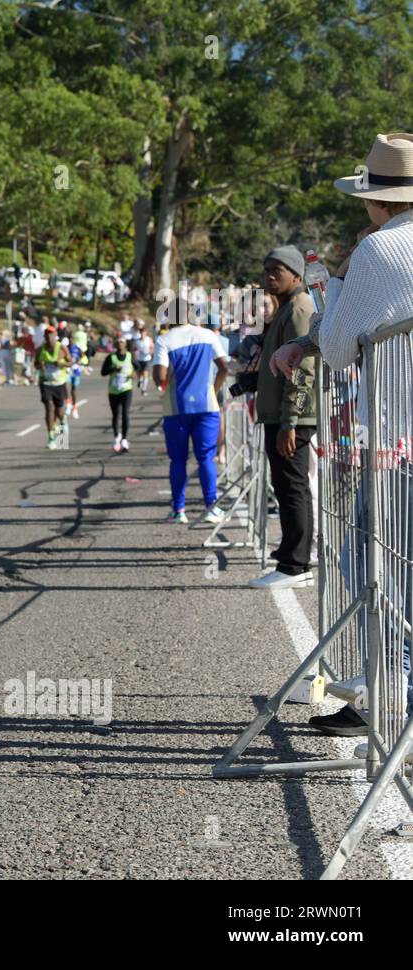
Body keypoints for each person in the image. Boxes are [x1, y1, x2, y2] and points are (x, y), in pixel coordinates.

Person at [269, 132, 413, 739]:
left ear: (375, 200)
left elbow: (337, 345)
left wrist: (346, 284)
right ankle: (390, 686)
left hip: (397, 433)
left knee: (371, 565)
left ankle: (393, 689)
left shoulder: (381, 249)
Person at [248, 246, 318, 589]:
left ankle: (295, 565)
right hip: (281, 415)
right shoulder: (286, 308)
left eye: (278, 269)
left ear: (296, 275)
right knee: (287, 487)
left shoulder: (300, 308)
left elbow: (304, 371)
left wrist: (291, 421)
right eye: (267, 269)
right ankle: (292, 559)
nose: (270, 275)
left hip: (293, 417)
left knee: (292, 489)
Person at [153, 299, 229, 524]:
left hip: (176, 408)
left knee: (178, 460)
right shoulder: (208, 335)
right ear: (190, 314)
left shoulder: (164, 340)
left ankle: (179, 510)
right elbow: (224, 367)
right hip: (207, 406)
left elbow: (160, 378)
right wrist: (213, 390)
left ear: (169, 316)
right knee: (206, 457)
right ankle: (211, 507)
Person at [35, 327, 71, 449]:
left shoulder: (61, 348)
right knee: (49, 408)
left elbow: (71, 362)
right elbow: (35, 364)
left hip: (59, 383)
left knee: (60, 411)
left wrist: (62, 364)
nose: (49, 337)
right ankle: (51, 438)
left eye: (51, 334)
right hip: (45, 383)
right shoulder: (40, 349)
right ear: (45, 337)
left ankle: (62, 433)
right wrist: (40, 365)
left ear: (55, 335)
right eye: (47, 335)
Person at [100, 334, 134, 453]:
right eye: (118, 342)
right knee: (116, 415)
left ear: (125, 344)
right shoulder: (111, 357)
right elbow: (103, 372)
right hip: (114, 390)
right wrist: (113, 369)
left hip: (126, 389)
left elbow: (137, 368)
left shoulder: (130, 356)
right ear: (115, 344)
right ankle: (116, 437)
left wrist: (133, 375)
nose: (120, 344)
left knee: (125, 413)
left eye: (122, 342)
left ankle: (124, 438)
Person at [134, 326, 154, 394]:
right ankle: (140, 380)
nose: (143, 334)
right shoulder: (137, 341)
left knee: (145, 373)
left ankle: (144, 390)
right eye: (141, 333)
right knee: (139, 374)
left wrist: (150, 352)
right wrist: (135, 352)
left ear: (146, 333)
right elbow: (135, 349)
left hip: (147, 359)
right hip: (139, 359)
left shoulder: (149, 339)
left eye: (144, 333)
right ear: (140, 333)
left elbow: (152, 348)